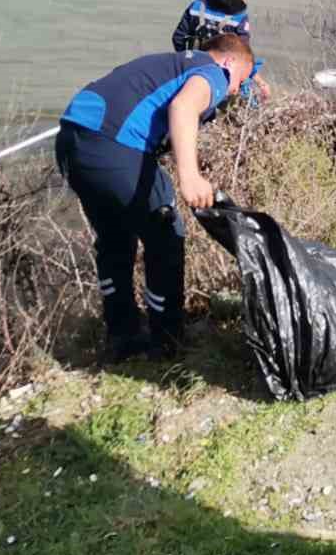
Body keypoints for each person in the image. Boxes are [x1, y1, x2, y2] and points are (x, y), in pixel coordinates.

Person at [55, 33, 254, 361]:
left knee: (115, 238)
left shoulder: (168, 65)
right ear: (229, 61)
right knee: (166, 235)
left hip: (71, 143)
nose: (234, 91)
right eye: (239, 81)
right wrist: (189, 175)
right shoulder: (212, 71)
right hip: (113, 146)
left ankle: (123, 335)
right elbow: (184, 106)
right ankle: (167, 341)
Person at [172, 0, 271, 104]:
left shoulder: (196, 6)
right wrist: (261, 83)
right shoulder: (238, 17)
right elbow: (243, 56)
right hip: (222, 76)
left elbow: (178, 37)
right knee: (250, 103)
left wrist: (189, 60)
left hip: (190, 67)